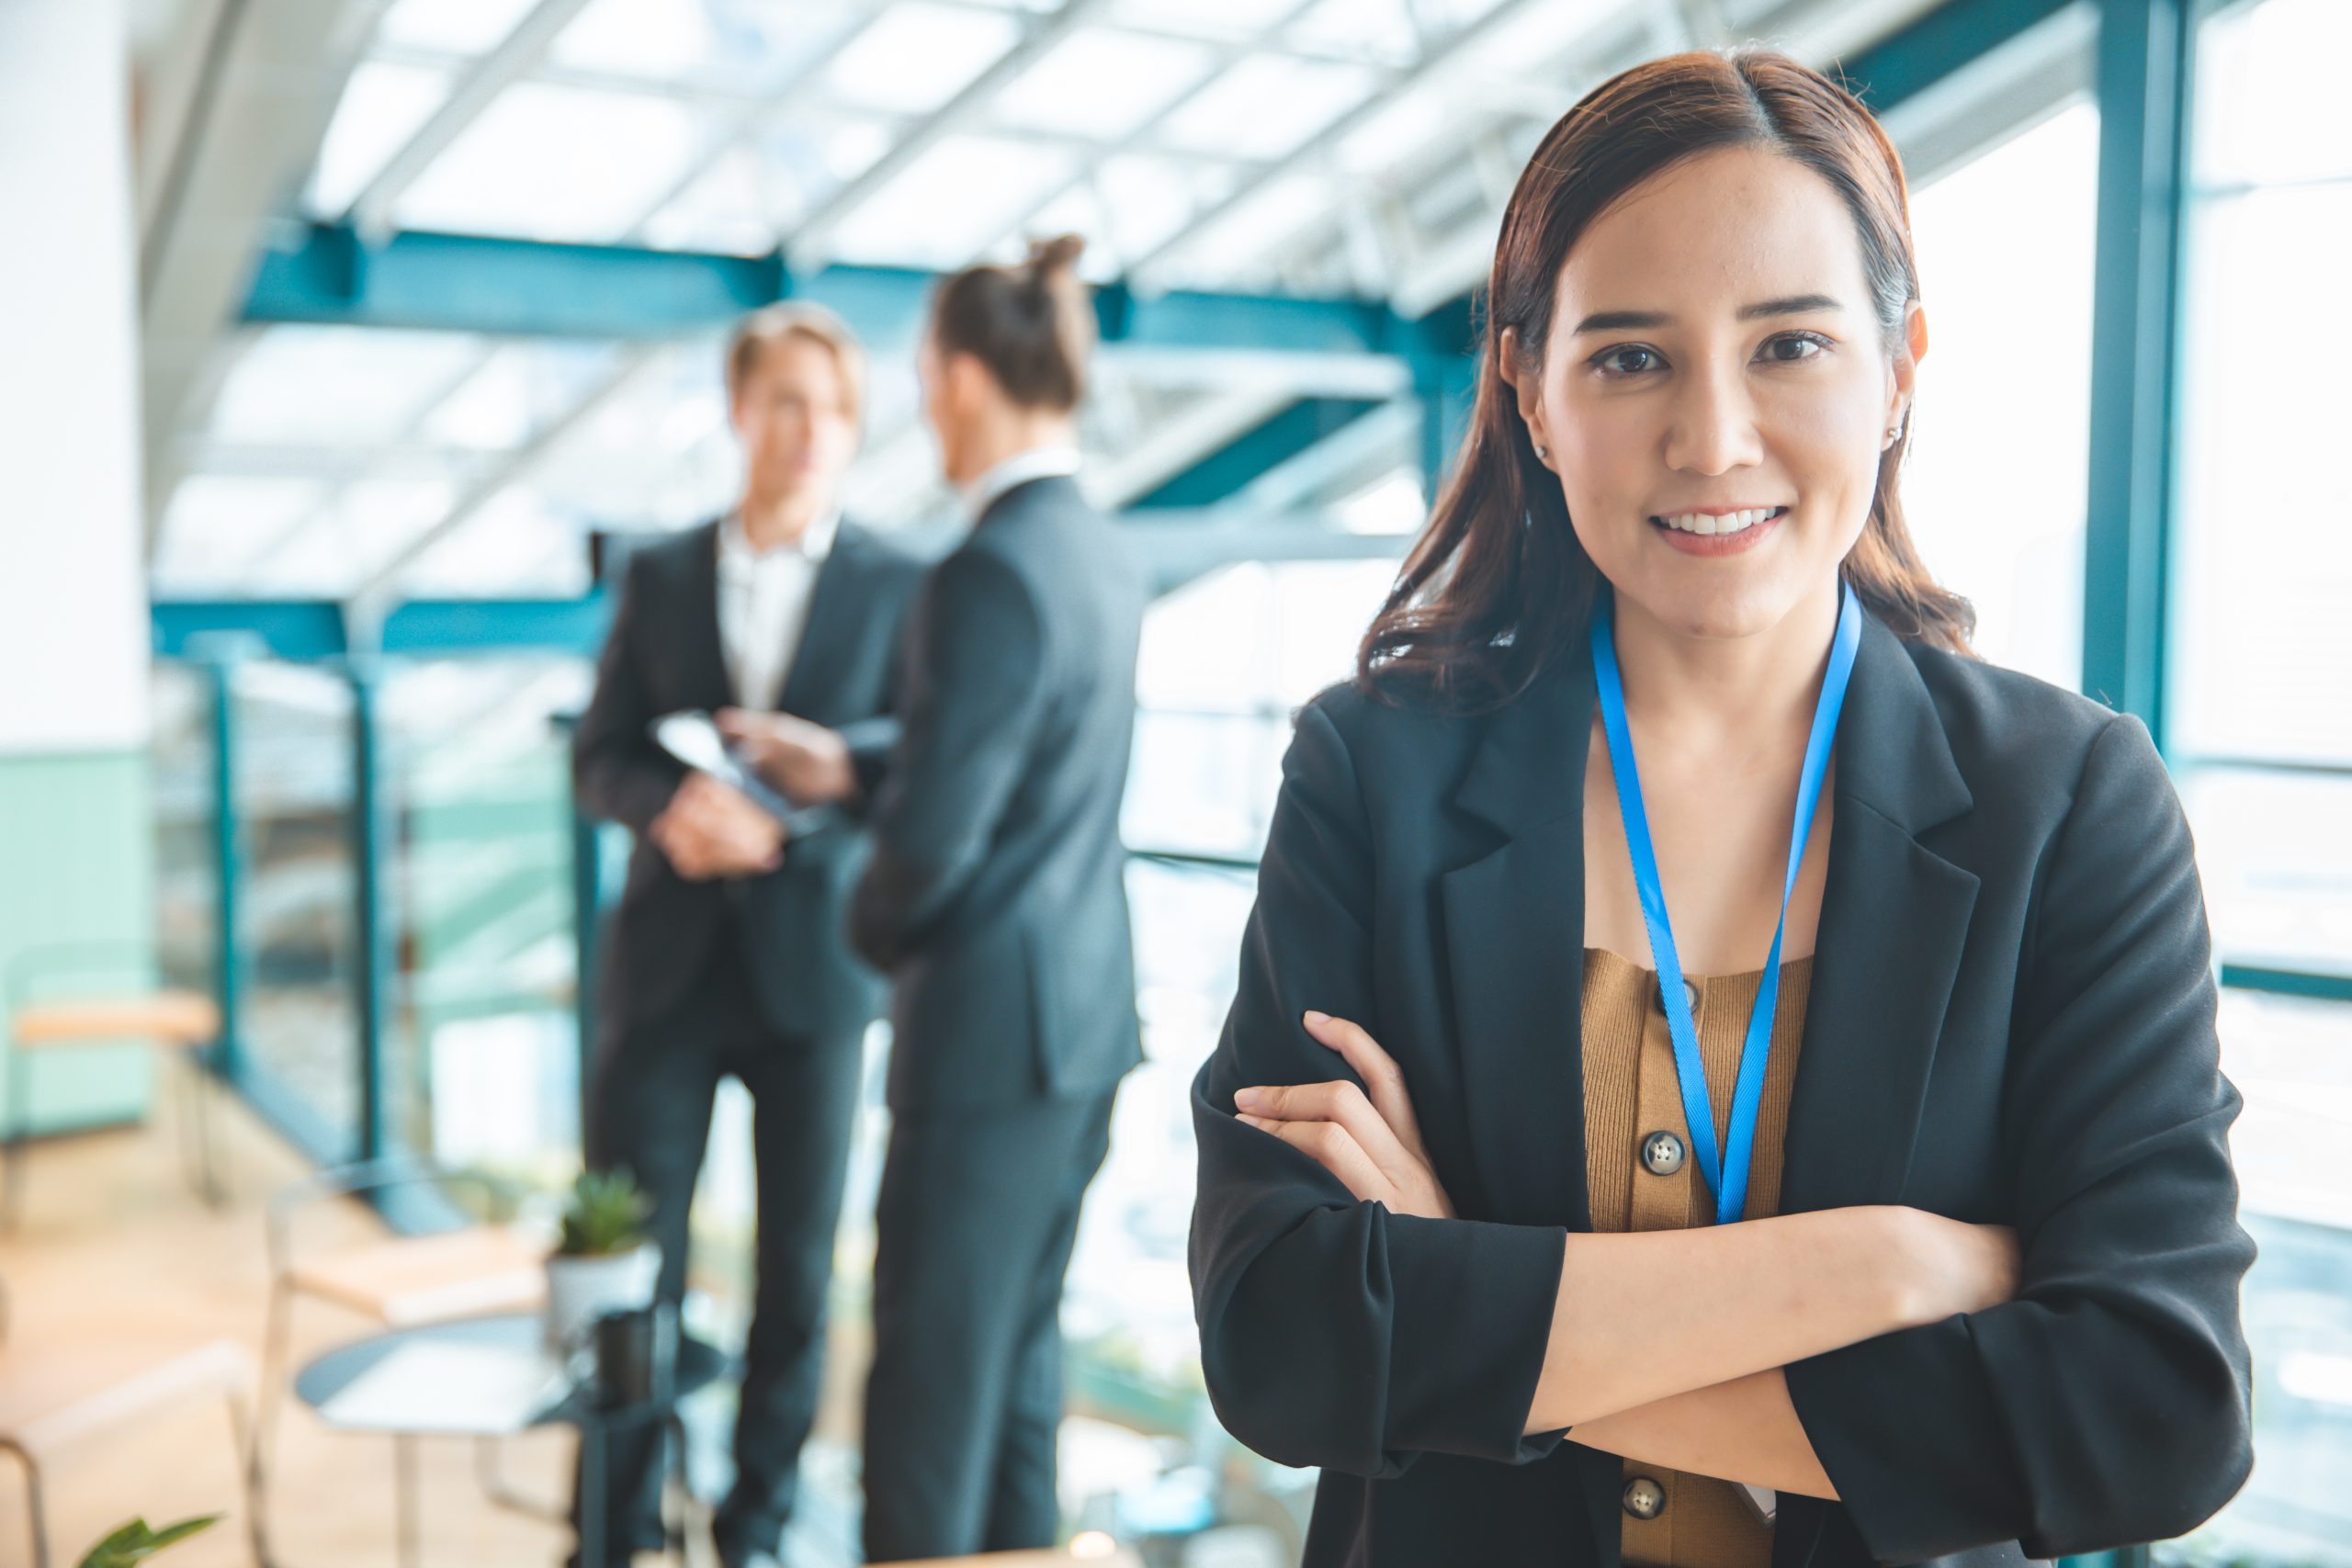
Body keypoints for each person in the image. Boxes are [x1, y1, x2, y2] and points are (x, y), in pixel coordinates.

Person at [1188, 49, 2254, 1568]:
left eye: (1790, 347)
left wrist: (1461, 1302)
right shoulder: (1378, 774)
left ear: (1899, 375)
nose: (1713, 440)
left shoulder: (2070, 805)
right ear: (1532, 395)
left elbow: (2154, 1408)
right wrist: (1882, 1268)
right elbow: (1282, 1339)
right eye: (1630, 357)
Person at [725, 234, 1146, 1562]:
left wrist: (852, 923)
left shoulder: (984, 571)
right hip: (1076, 1034)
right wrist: (849, 758)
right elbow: (1009, 742)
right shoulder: (1092, 544)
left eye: (919, 376)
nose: (919, 406)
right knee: (1013, 1391)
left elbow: (936, 845)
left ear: (962, 379)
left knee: (919, 1413)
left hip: (978, 1049)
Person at [569, 302, 923, 1568]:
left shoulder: (901, 581)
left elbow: (907, 783)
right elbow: (598, 756)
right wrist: (670, 813)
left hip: (816, 986)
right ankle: (611, 1530)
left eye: (833, 410)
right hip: (663, 978)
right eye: (785, 403)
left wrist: (784, 838)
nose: (810, 432)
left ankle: (755, 1533)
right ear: (737, 410)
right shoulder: (660, 572)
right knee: (628, 1275)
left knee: (795, 1283)